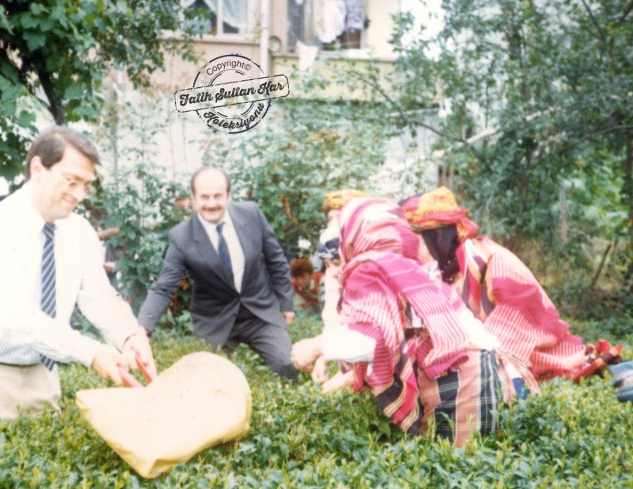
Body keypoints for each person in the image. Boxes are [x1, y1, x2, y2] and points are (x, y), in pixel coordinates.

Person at [0, 126, 156, 440]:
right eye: (71, 181)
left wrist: (129, 335)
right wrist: (91, 352)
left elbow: (101, 297)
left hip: (41, 378)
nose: (79, 194)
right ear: (38, 168)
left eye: (86, 185)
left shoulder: (80, 232)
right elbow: (16, 317)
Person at [292, 197, 539, 446]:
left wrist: (315, 346)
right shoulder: (409, 267)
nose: (334, 270)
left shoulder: (369, 269)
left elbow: (372, 340)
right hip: (507, 379)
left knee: (453, 466)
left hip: (469, 386)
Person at [402, 186, 622, 382]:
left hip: (531, 349)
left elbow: (507, 341)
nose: (408, 248)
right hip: (490, 344)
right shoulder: (448, 267)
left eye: (414, 238)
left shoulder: (492, 260)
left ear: (437, 237)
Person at [138, 166, 298, 381]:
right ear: (193, 199)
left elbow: (276, 261)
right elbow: (164, 287)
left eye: (218, 196)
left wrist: (286, 304)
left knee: (287, 366)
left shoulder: (252, 214)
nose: (211, 203)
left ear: (228, 195)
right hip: (215, 321)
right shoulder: (181, 236)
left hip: (259, 313)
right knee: (206, 382)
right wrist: (142, 329)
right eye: (204, 197)